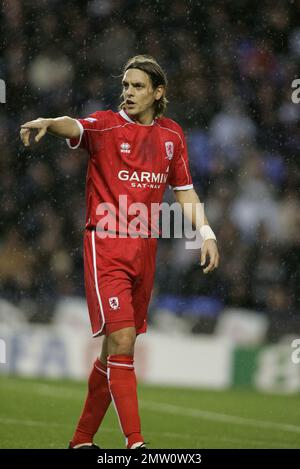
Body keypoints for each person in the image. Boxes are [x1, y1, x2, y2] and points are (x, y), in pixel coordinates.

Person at [20, 55, 219, 449]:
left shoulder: (171, 136)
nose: (128, 92)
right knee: (124, 340)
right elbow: (74, 125)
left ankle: (80, 440)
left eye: (138, 86)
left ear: (158, 93)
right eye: (125, 85)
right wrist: (48, 122)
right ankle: (136, 443)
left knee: (114, 349)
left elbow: (184, 190)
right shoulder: (107, 125)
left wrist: (207, 233)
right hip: (106, 243)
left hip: (145, 248)